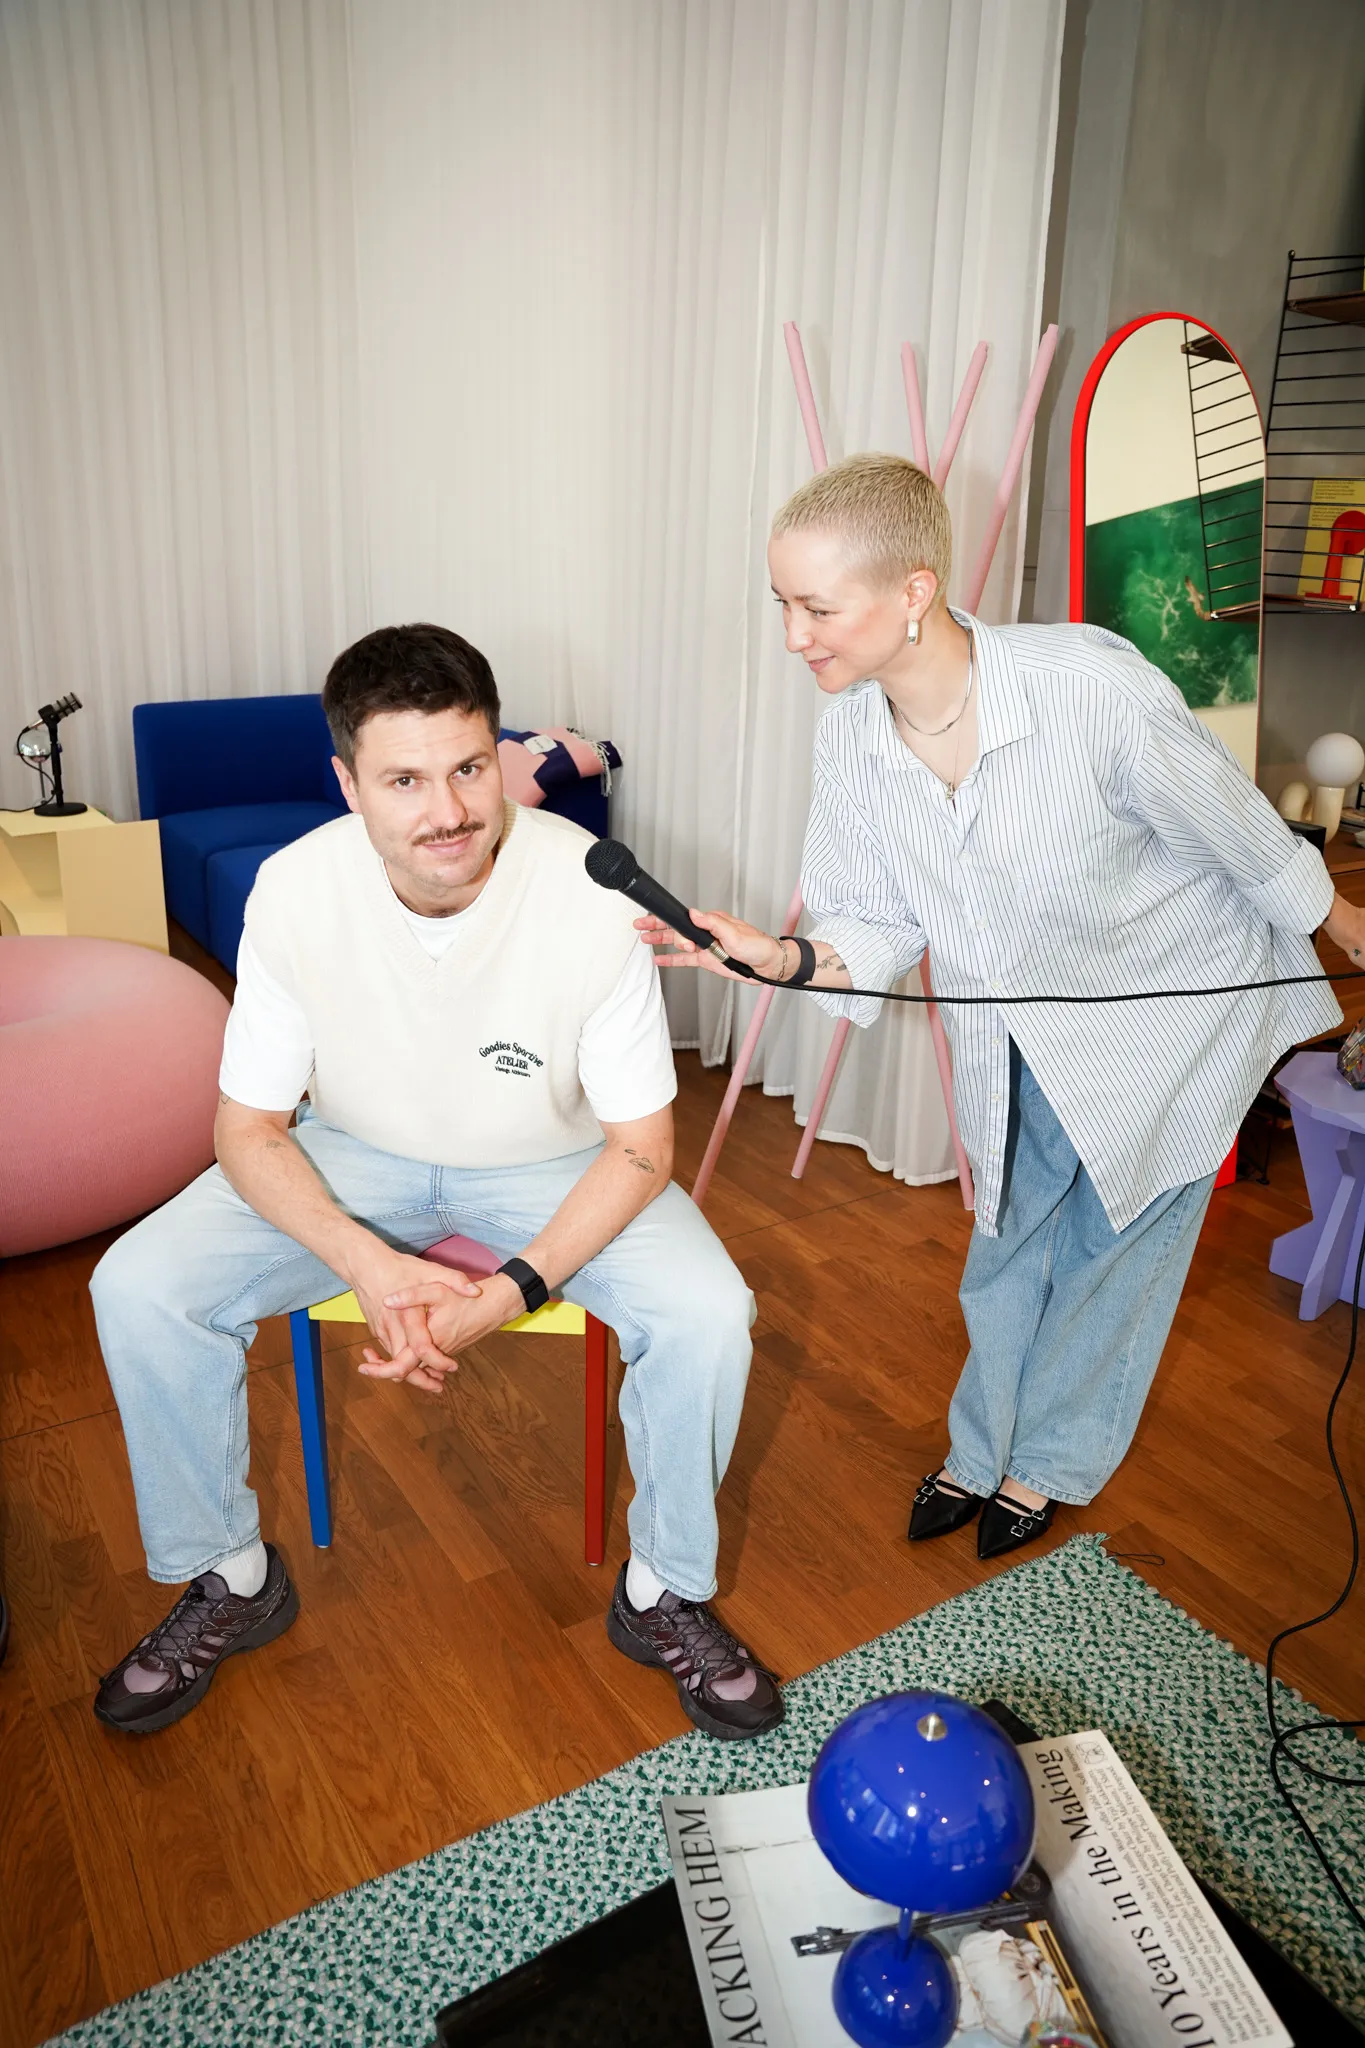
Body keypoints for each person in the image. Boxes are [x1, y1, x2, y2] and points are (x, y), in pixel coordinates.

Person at [639, 452, 1365, 1560]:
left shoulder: (1089, 688)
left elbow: (1241, 833)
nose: (795, 635)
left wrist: (1351, 932)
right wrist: (780, 955)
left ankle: (1048, 1464)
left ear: (914, 590)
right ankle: (977, 1449)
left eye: (817, 607)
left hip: (1173, 1013)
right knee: (1008, 1243)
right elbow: (871, 924)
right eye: (783, 603)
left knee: (1114, 1254)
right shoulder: (853, 735)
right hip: (1017, 1030)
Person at [90, 624, 781, 1742]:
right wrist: (371, 1262)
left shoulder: (594, 888)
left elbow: (645, 1145)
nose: (447, 810)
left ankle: (664, 1591)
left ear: (496, 754)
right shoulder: (293, 890)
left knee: (713, 1312)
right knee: (137, 1284)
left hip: (559, 1161)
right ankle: (230, 1574)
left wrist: (507, 1289)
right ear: (348, 781)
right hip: (352, 1151)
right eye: (404, 779)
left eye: (468, 767)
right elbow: (247, 1126)